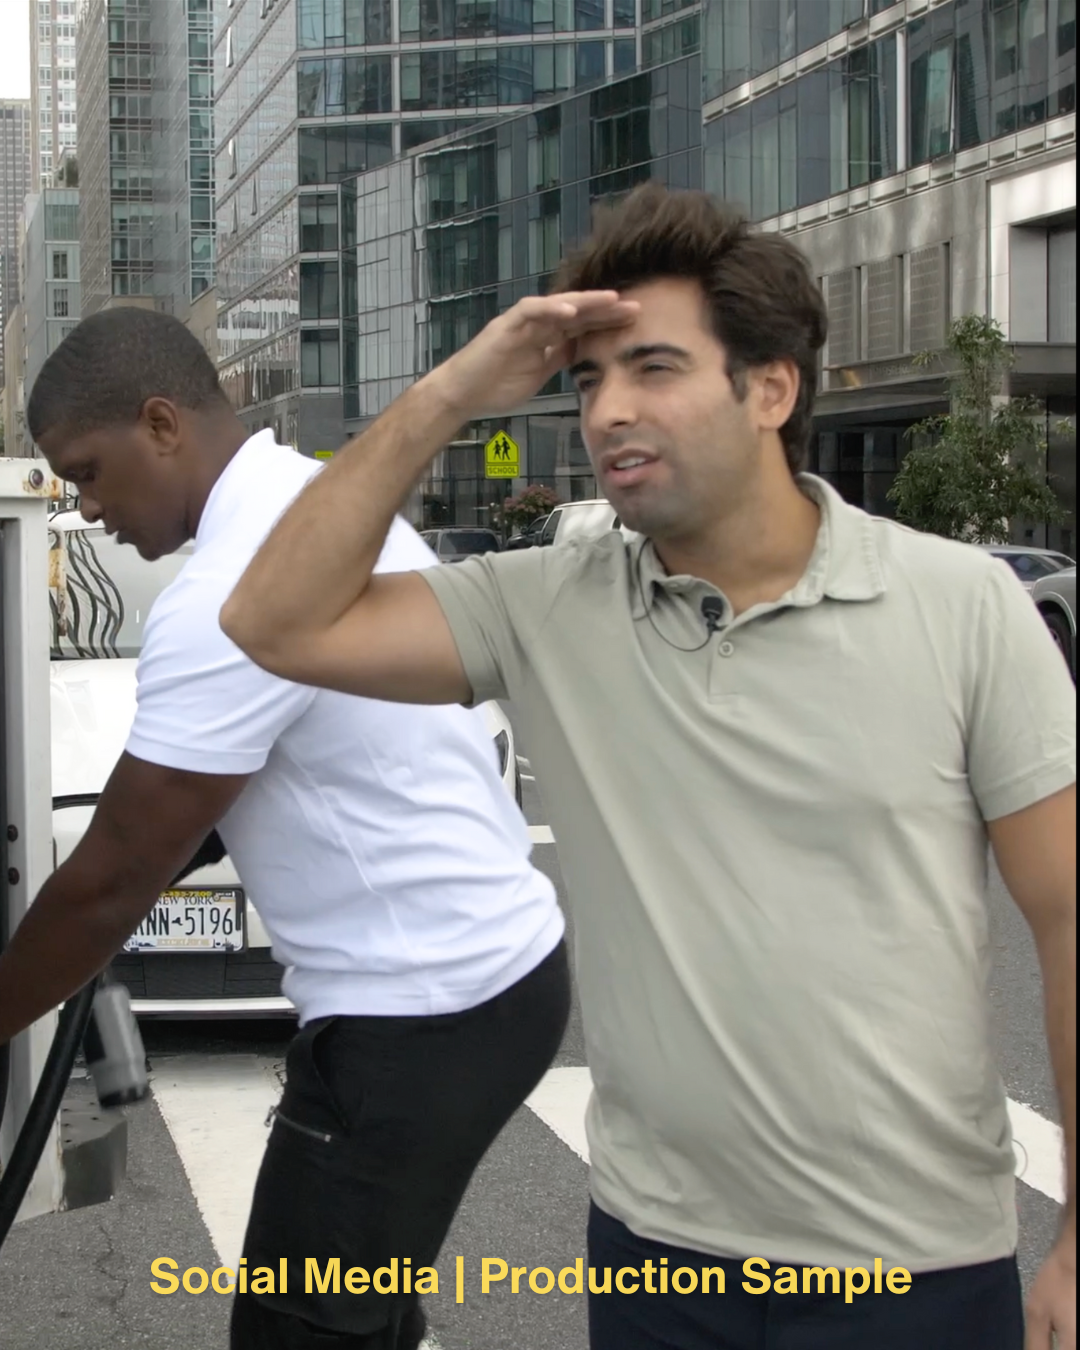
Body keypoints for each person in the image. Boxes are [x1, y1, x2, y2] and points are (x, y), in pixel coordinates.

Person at [222, 184, 1076, 1350]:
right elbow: (273, 623)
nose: (609, 410)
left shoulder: (963, 606)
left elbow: (1069, 917)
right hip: (655, 1262)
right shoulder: (547, 606)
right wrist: (453, 391)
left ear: (770, 388)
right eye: (587, 381)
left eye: (655, 370)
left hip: (910, 1271)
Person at [0, 308, 571, 1350]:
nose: (86, 505)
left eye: (88, 470)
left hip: (418, 1010)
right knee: (363, 1319)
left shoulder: (228, 588)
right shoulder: (315, 505)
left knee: (298, 1335)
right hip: (487, 980)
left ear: (162, 425)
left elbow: (115, 875)